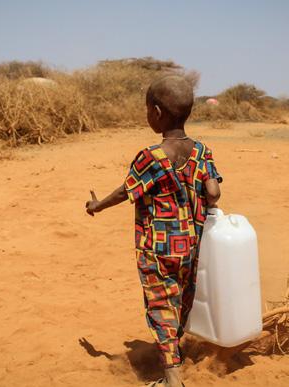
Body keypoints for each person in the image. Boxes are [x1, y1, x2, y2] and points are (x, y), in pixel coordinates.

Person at [85, 75, 222, 387]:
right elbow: (213, 193)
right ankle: (177, 352)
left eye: (148, 110)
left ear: (158, 112)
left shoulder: (152, 156)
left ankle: (172, 378)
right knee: (182, 300)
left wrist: (97, 205)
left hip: (156, 246)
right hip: (191, 244)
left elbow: (126, 191)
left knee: (160, 305)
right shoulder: (203, 151)